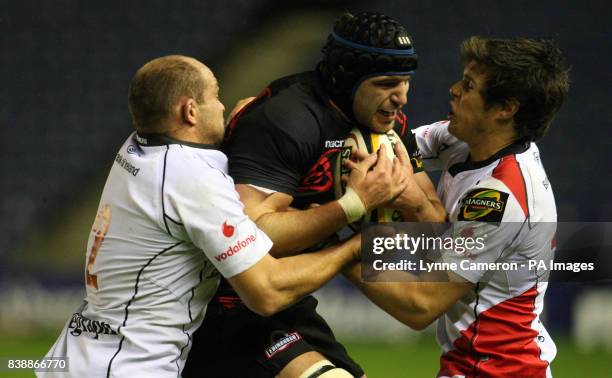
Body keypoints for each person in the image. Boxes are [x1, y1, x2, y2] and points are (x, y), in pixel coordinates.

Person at [38, 55, 369, 378]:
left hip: (78, 355)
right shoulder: (191, 181)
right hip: (127, 366)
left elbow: (194, 170)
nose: (224, 106)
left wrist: (247, 128)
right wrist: (351, 243)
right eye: (215, 96)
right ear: (190, 110)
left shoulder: (136, 149)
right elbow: (267, 293)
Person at [184, 11, 446, 378]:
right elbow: (251, 236)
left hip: (288, 301)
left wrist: (409, 199)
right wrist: (354, 206)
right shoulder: (286, 119)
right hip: (223, 303)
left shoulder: (386, 127)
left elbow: (436, 235)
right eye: (387, 83)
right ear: (347, 77)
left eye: (405, 82)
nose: (401, 97)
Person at [344, 37, 570, 378]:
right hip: (471, 365)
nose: (453, 90)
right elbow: (391, 148)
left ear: (505, 109)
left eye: (469, 85)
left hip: (496, 370)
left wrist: (331, 253)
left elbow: (421, 306)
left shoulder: (498, 199)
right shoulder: (462, 139)